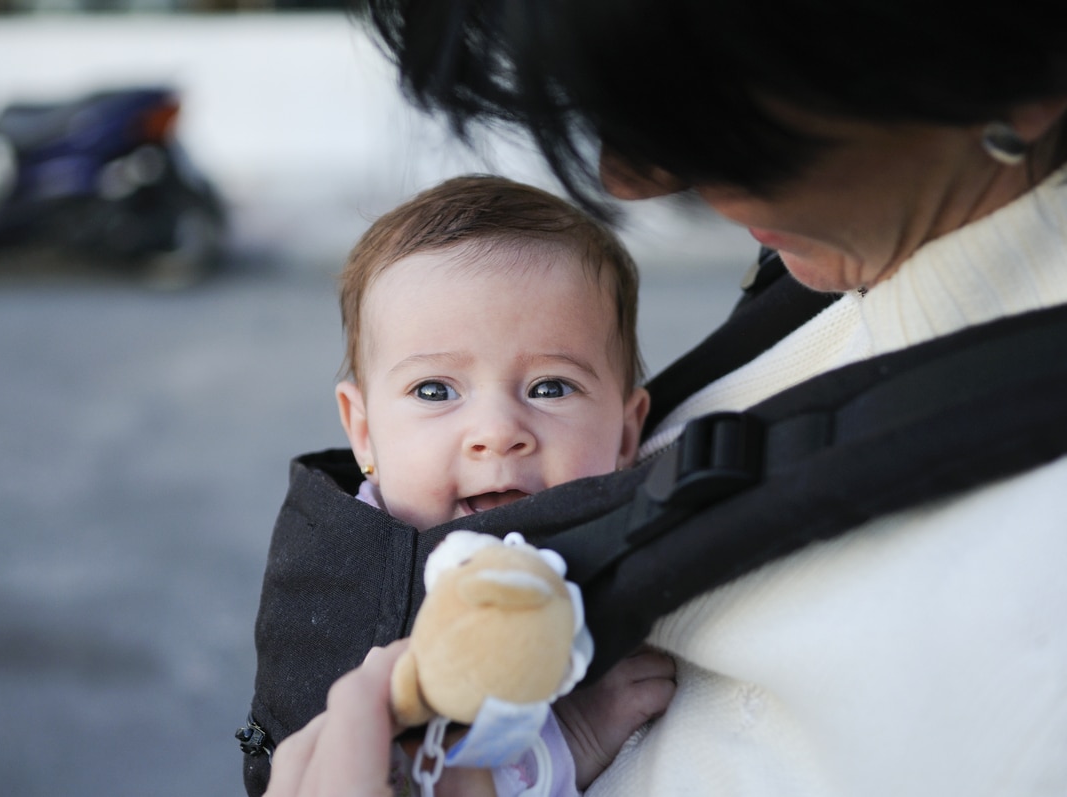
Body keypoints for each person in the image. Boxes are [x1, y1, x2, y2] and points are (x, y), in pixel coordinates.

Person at [253, 1, 1067, 795]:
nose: (630, 179)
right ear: (358, 424)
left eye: (697, 100)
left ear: (1006, 73)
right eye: (436, 389)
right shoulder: (836, 268)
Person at [264, 174, 677, 796]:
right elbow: (425, 770)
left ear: (626, 431)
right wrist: (577, 740)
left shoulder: (634, 536)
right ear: (365, 431)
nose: (497, 432)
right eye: (435, 391)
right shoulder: (349, 582)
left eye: (551, 387)